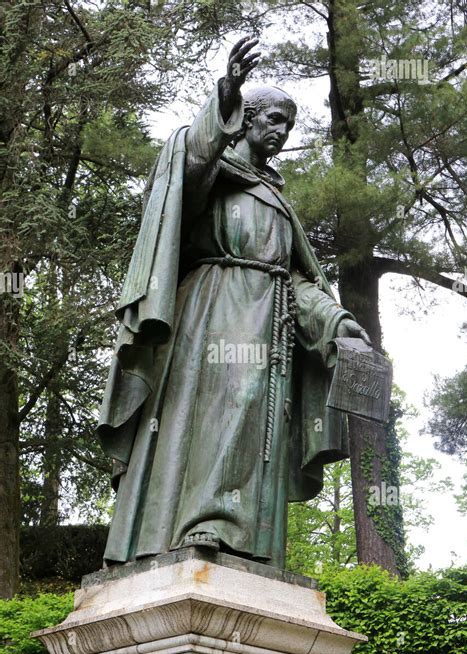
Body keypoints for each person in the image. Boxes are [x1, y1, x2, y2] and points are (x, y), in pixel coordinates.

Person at [98, 37, 371, 569]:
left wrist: (338, 323)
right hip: (213, 314)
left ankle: (244, 541)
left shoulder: (276, 200)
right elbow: (190, 163)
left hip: (269, 321)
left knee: (254, 425)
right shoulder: (213, 174)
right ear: (243, 120)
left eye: (289, 125)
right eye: (272, 118)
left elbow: (295, 278)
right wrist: (225, 93)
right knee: (225, 408)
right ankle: (202, 525)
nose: (282, 132)